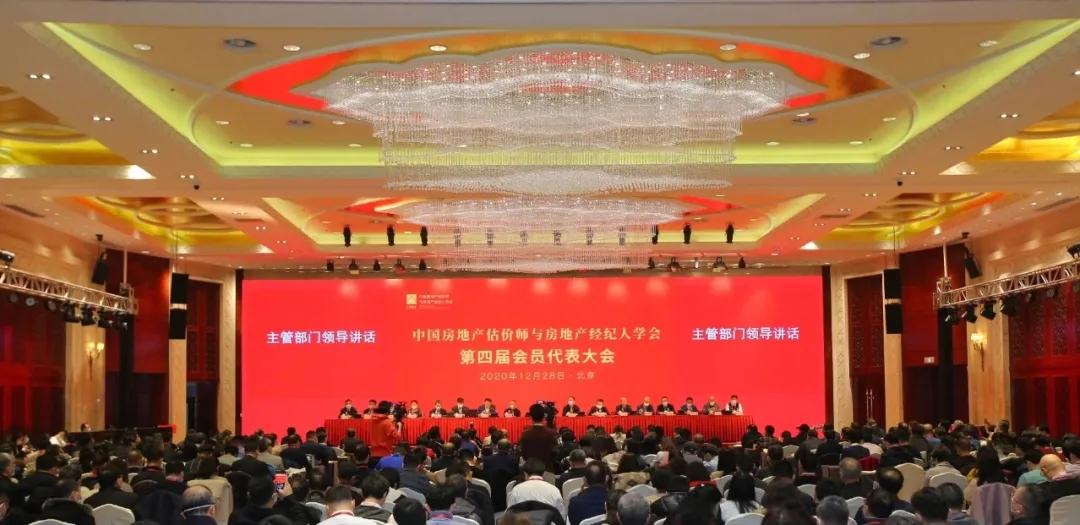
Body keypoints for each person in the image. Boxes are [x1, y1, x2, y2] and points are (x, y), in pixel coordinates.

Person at [520, 404, 559, 473]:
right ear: (544, 416)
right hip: (547, 469)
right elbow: (555, 453)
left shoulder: (525, 434)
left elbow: (523, 453)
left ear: (531, 417)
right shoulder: (551, 433)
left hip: (530, 471)